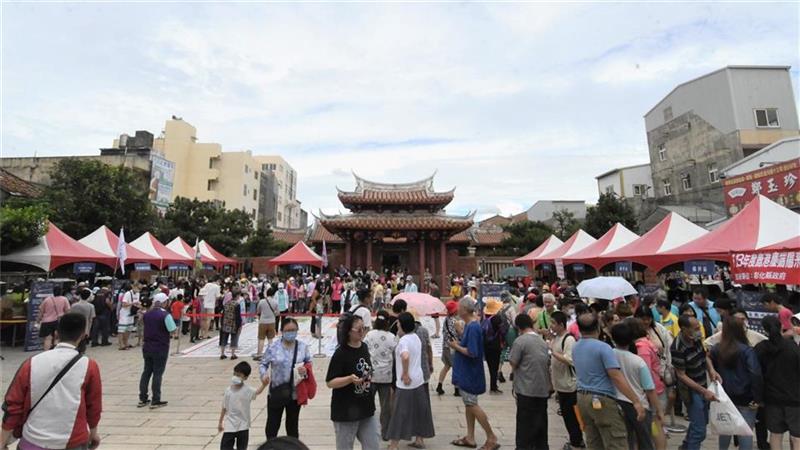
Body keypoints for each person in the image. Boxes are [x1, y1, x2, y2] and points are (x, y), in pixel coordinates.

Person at [0, 313, 102, 450]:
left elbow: (13, 405)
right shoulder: (90, 366)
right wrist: (93, 432)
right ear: (83, 335)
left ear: (56, 333)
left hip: (33, 440)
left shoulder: (31, 363)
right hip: (73, 441)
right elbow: (93, 406)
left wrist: (3, 440)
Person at [572, 312, 645, 450]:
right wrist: (636, 401)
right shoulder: (603, 348)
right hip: (602, 400)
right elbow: (616, 376)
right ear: (598, 327)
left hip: (582, 398)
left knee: (593, 441)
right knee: (616, 441)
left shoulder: (576, 347)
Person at [449, 297, 499, 450]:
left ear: (464, 309)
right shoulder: (471, 326)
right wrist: (460, 334)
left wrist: (455, 346)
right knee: (469, 404)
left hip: (470, 373)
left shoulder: (473, 327)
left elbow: (472, 352)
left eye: (459, 307)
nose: (457, 310)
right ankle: (470, 436)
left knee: (472, 404)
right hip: (468, 371)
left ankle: (491, 436)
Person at [709, 316, 763, 450]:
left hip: (725, 396)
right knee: (745, 432)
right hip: (746, 397)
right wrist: (757, 397)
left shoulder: (717, 349)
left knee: (725, 430)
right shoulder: (747, 350)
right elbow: (755, 374)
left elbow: (711, 365)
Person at [325, 314, 379, 450]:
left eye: (364, 328)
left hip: (366, 408)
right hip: (345, 411)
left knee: (373, 445)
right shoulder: (341, 353)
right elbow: (330, 382)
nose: (362, 332)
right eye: (358, 329)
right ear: (349, 331)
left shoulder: (364, 347)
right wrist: (349, 379)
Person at [671, 315, 722, 450]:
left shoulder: (696, 338)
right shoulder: (677, 347)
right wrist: (703, 391)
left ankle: (685, 446)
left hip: (703, 384)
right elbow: (681, 375)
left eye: (698, 327)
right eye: (695, 328)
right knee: (699, 431)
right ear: (684, 329)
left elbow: (704, 356)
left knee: (700, 423)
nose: (699, 330)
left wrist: (712, 371)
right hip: (691, 390)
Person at [610, 321, 663, 450]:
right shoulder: (638, 361)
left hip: (617, 402)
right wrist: (659, 410)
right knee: (645, 440)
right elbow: (649, 389)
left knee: (627, 440)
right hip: (639, 406)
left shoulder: (609, 355)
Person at [387, 312, 435, 450]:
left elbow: (405, 356)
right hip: (418, 380)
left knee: (399, 413)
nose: (396, 325)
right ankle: (420, 439)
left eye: (398, 323)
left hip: (405, 383)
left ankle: (394, 444)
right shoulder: (415, 337)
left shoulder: (403, 341)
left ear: (401, 325)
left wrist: (405, 373)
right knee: (419, 410)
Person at [260, 318, 312, 440]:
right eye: (288, 330)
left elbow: (308, 362)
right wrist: (263, 375)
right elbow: (263, 363)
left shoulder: (302, 347)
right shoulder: (273, 347)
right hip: (277, 391)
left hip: (294, 393)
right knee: (272, 425)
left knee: (292, 426)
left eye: (293, 330)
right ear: (281, 331)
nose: (291, 333)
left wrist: (305, 369)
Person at [754, 315, 800, 450]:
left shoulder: (760, 348)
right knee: (797, 437)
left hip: (771, 399)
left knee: (775, 434)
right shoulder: (793, 348)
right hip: (795, 399)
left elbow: (755, 374)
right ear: (781, 327)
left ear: (764, 330)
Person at [509, 313, 550, 450]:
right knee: (541, 423)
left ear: (519, 327)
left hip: (526, 389)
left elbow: (513, 363)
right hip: (542, 389)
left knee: (525, 425)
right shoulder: (542, 341)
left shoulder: (520, 341)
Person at [548, 310, 584, 450]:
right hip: (560, 385)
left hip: (570, 385)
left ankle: (576, 441)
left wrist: (554, 352)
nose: (551, 325)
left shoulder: (568, 339)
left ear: (561, 324)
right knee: (567, 416)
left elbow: (570, 360)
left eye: (553, 323)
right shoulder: (556, 337)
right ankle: (575, 439)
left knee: (571, 416)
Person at [138, 294, 176, 409]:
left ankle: (143, 398)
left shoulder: (147, 314)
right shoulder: (165, 315)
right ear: (165, 302)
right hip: (160, 346)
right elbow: (172, 329)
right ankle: (156, 399)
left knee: (146, 372)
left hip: (147, 346)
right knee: (158, 373)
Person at [219, 361, 268, 450]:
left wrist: (264, 385)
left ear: (245, 377)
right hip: (230, 424)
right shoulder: (228, 391)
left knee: (242, 447)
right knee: (225, 447)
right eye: (234, 374)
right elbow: (224, 407)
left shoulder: (247, 390)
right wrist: (220, 422)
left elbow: (257, 392)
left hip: (243, 425)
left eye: (238, 375)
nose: (235, 377)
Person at [364, 312, 397, 441]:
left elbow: (364, 351)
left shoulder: (369, 335)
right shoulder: (392, 337)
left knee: (368, 404)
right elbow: (396, 354)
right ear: (387, 322)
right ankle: (386, 432)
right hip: (386, 376)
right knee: (386, 407)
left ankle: (367, 431)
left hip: (371, 375)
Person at [36, 285, 71, 351]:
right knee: (57, 338)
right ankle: (55, 352)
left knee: (48, 338)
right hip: (59, 321)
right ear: (61, 292)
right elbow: (68, 311)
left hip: (46, 322)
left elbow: (41, 311)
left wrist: (38, 320)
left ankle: (46, 353)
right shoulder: (64, 299)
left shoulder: (47, 300)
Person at [436, 300, 459, 396]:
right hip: (452, 348)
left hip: (445, 346)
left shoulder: (446, 319)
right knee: (456, 368)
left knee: (446, 366)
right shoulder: (455, 321)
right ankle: (457, 389)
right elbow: (457, 334)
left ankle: (439, 385)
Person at [255, 287, 279, 360]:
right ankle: (271, 354)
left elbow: (258, 311)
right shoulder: (275, 302)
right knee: (270, 339)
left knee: (261, 339)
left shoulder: (262, 301)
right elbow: (277, 313)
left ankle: (259, 354)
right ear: (273, 294)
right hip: (272, 322)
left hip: (263, 322)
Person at [220, 290, 243, 360]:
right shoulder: (237, 304)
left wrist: (221, 323)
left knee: (223, 339)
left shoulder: (226, 303)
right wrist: (239, 325)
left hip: (225, 323)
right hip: (233, 324)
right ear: (237, 296)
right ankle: (233, 354)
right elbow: (238, 316)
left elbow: (223, 314)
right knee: (234, 338)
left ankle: (222, 353)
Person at [117, 283, 140, 350]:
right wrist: (133, 303)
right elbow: (124, 304)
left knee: (129, 328)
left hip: (131, 313)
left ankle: (126, 342)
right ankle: (121, 344)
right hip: (124, 313)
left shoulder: (138, 294)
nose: (138, 290)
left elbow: (137, 303)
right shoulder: (127, 293)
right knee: (122, 329)